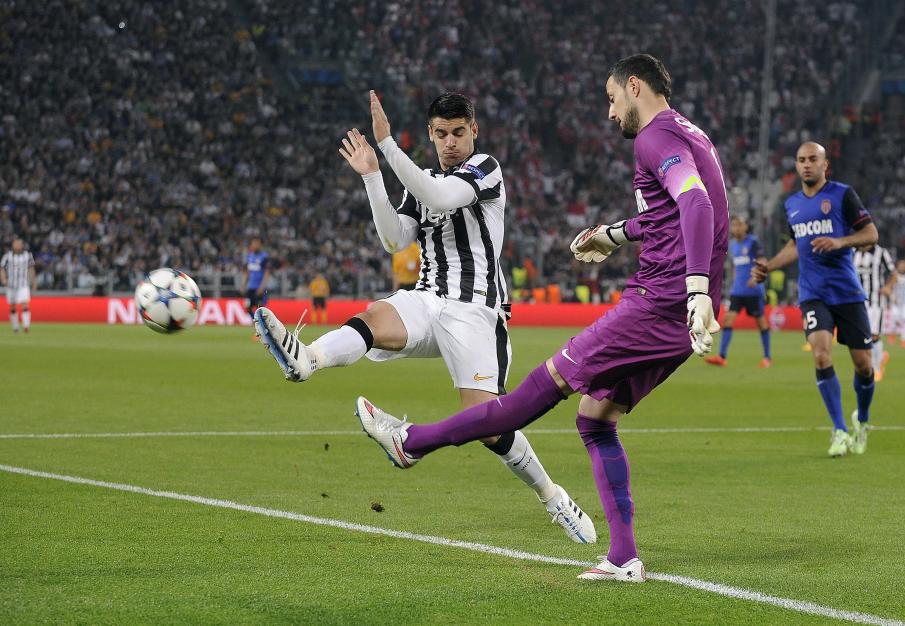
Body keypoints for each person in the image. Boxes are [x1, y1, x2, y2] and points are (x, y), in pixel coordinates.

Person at [355, 54, 729, 582]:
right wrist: (616, 235)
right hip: (678, 313)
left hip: (659, 301)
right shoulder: (693, 133)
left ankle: (410, 442)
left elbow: (695, 204)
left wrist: (693, 289)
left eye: (611, 97)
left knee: (528, 396)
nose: (609, 112)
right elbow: (674, 210)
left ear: (635, 87)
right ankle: (623, 558)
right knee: (595, 420)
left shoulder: (653, 138)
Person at [253, 91, 595, 545]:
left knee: (489, 426)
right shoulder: (423, 180)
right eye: (441, 133)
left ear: (473, 130)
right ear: (432, 134)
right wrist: (374, 177)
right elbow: (395, 240)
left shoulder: (484, 170)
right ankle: (307, 358)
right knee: (375, 318)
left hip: (475, 310)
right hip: (428, 298)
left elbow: (439, 194)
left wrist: (388, 145)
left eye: (458, 132)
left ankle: (552, 496)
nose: (450, 142)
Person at [752, 142, 879, 457]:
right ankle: (838, 430)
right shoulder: (791, 204)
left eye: (813, 159)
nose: (806, 165)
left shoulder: (842, 195)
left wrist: (840, 241)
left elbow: (871, 234)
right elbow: (796, 246)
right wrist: (768, 265)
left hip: (847, 292)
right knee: (821, 355)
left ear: (825, 165)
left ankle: (861, 419)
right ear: (796, 166)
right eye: (801, 160)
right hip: (813, 293)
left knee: (864, 366)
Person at [705, 215, 771, 367]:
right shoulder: (733, 245)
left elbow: (762, 261)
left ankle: (767, 358)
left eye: (740, 225)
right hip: (738, 291)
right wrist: (735, 281)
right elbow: (736, 267)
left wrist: (756, 278)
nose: (737, 228)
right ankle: (721, 357)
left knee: (761, 322)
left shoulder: (753, 242)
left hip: (753, 291)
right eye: (734, 225)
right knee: (728, 319)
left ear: (745, 227)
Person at [853, 244, 896, 380]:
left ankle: (876, 369)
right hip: (857, 300)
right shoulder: (853, 251)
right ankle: (880, 357)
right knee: (861, 337)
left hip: (875, 301)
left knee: (874, 335)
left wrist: (888, 287)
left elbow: (894, 274)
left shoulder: (881, 252)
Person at [1, 238, 37, 334]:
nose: (17, 245)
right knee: (13, 307)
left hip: (23, 285)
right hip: (11, 285)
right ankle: (15, 327)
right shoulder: (7, 256)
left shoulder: (27, 256)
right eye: (15, 243)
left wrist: (34, 282)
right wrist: (3, 279)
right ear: (13, 245)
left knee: (25, 304)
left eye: (19, 243)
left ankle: (26, 326)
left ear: (22, 245)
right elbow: (2, 268)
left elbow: (31, 269)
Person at [242, 238, 270, 318]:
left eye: (257, 244)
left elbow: (267, 273)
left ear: (260, 245)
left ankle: (263, 326)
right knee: (247, 307)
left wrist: (262, 287)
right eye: (253, 244)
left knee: (261, 309)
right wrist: (244, 285)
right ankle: (256, 323)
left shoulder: (264, 257)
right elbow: (247, 272)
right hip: (250, 288)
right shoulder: (249, 256)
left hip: (259, 288)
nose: (255, 246)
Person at [889, 259, 905, 348]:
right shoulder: (894, 275)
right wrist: (892, 297)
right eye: (901, 265)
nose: (903, 267)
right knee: (896, 320)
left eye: (904, 265)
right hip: (895, 302)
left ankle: (903, 340)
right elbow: (890, 286)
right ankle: (892, 334)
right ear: (898, 266)